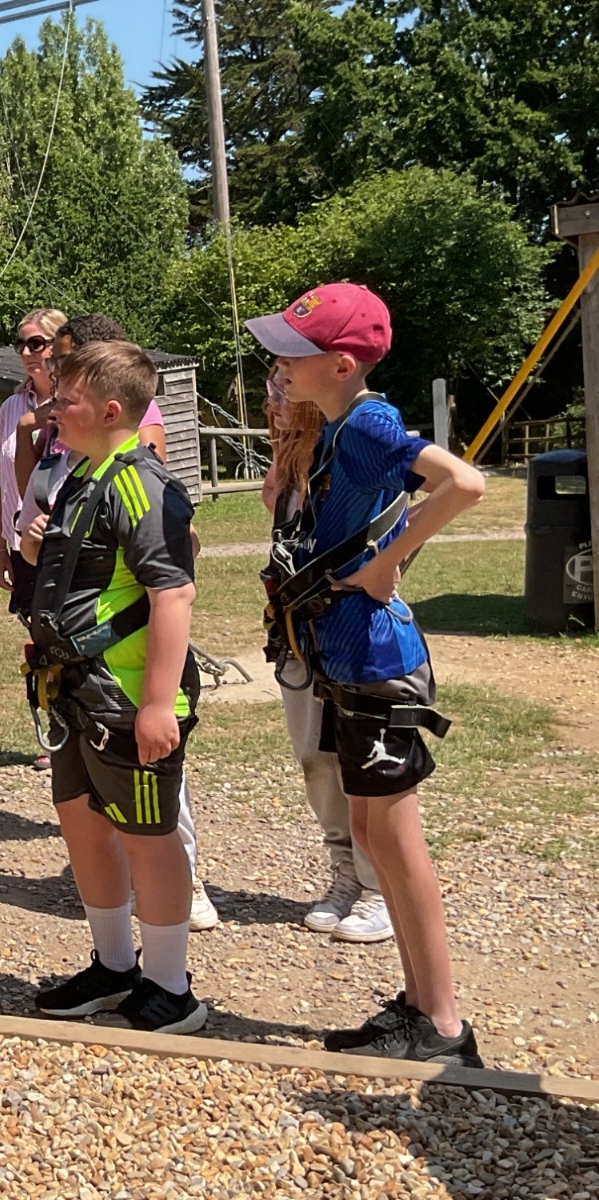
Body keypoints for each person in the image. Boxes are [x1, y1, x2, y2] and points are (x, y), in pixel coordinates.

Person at [248, 283, 485, 1066]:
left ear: (342, 364)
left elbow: (465, 484)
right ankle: (417, 1005)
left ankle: (443, 1025)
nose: (281, 365)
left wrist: (386, 565)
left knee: (396, 838)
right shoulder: (340, 428)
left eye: (295, 352)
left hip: (381, 663)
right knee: (376, 832)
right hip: (348, 659)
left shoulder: (371, 422)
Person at [19, 340, 207, 1034]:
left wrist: (157, 703)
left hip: (127, 696)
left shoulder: (140, 484)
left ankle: (170, 985)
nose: (52, 410)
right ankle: (114, 964)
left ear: (110, 409)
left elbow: (173, 594)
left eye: (66, 400)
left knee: (149, 837)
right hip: (76, 691)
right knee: (82, 820)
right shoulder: (81, 476)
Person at [260, 365, 392, 943]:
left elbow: (397, 513)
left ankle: (378, 887)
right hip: (298, 631)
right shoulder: (292, 464)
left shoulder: (352, 444)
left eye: (283, 389)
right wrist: (284, 453)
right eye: (272, 389)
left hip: (350, 633)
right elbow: (280, 517)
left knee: (363, 762)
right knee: (315, 759)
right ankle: (345, 874)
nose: (275, 401)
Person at [13, 315, 168, 500]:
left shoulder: (133, 403)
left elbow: (152, 475)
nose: (55, 371)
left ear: (94, 356)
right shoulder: (59, 409)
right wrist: (24, 428)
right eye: (52, 361)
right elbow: (30, 493)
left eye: (64, 361)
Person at [0, 309, 66, 621]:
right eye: (20, 344)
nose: (25, 353)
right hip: (22, 544)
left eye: (35, 343)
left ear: (59, 344)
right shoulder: (11, 407)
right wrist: (0, 549)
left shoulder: (76, 405)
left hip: (65, 540)